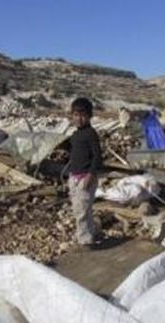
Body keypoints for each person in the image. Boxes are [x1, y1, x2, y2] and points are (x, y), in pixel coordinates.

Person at [67, 97, 102, 247]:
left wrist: (90, 175)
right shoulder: (75, 135)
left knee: (81, 212)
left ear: (89, 116)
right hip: (74, 177)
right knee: (81, 209)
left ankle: (85, 242)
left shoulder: (91, 134)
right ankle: (90, 234)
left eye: (82, 115)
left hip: (85, 178)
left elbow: (98, 157)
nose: (79, 118)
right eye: (76, 115)